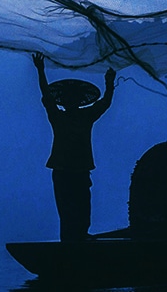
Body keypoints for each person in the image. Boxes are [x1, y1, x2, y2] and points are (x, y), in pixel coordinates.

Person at [33, 53, 116, 242]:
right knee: (67, 211)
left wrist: (110, 82)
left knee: (82, 209)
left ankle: (80, 239)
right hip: (63, 171)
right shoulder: (57, 116)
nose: (72, 100)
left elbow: (105, 103)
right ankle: (70, 243)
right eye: (69, 98)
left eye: (74, 98)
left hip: (80, 171)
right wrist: (40, 71)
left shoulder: (86, 116)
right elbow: (46, 96)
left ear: (79, 101)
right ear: (64, 100)